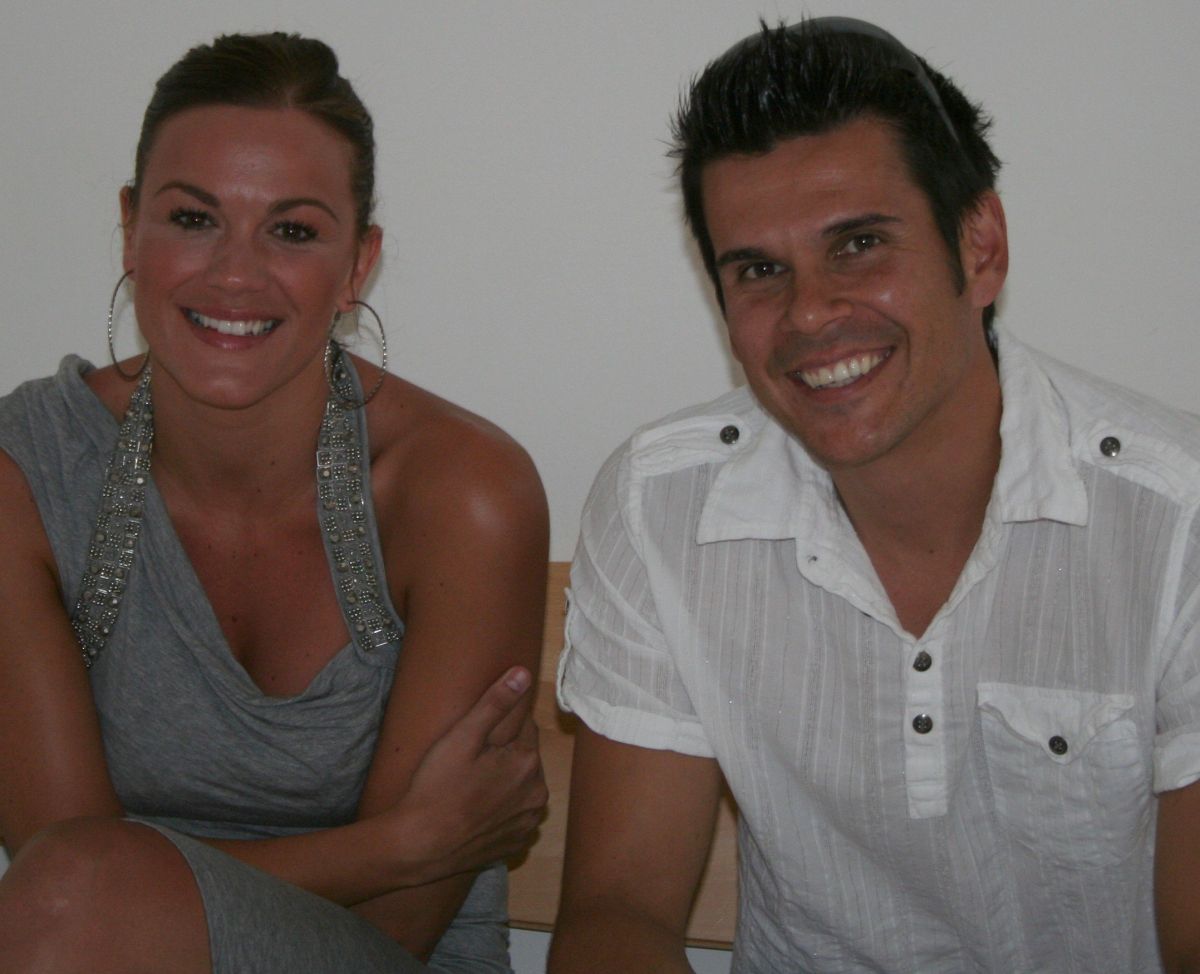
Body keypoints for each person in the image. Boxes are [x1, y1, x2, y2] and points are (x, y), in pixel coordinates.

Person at [550, 17, 1200, 974]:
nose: (810, 312)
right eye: (760, 270)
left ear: (980, 247)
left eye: (858, 244)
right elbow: (619, 913)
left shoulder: (1176, 516)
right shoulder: (661, 505)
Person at [0, 32, 549, 974]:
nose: (234, 274)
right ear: (130, 228)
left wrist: (405, 865)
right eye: (193, 218)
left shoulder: (461, 494)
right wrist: (404, 843)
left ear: (357, 264)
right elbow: (62, 875)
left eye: (292, 231)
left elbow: (400, 926)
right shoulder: (29, 474)